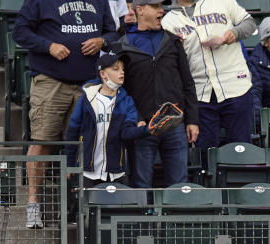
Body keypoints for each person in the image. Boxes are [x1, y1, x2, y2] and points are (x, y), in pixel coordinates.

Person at [13, 0, 118, 228]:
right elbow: (19, 31)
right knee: (42, 140)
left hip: (88, 83)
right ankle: (33, 204)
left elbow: (113, 33)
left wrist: (102, 41)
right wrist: (48, 45)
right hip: (51, 80)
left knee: (86, 145)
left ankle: (76, 208)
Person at [112, 0, 200, 189]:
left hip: (175, 124)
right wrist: (135, 118)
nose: (162, 11)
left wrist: (192, 120)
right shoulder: (122, 45)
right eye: (156, 7)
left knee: (179, 183)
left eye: (162, 7)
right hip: (142, 125)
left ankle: (176, 218)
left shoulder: (173, 41)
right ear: (140, 10)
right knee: (141, 184)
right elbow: (120, 89)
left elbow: (188, 83)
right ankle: (144, 218)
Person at [160, 0, 257, 150]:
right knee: (205, 153)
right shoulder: (168, 22)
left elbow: (250, 23)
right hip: (200, 93)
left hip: (235, 86)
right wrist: (175, 47)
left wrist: (235, 33)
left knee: (241, 149)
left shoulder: (221, 2)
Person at [65, 53, 150, 186]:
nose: (121, 72)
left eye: (122, 69)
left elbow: (127, 134)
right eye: (116, 69)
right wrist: (69, 165)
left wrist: (149, 129)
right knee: (86, 206)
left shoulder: (127, 101)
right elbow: (72, 134)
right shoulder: (86, 99)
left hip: (116, 171)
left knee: (114, 206)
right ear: (103, 74)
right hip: (87, 170)